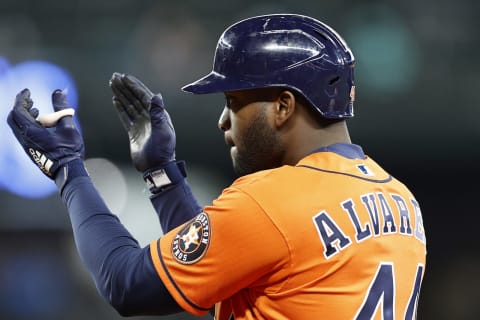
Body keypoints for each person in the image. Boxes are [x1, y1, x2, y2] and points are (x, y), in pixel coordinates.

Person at [6, 14, 426, 319]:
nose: (224, 122)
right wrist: (163, 177)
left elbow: (125, 284)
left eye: (234, 103)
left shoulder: (274, 200)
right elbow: (218, 274)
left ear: (283, 106)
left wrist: (67, 170)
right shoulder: (401, 200)